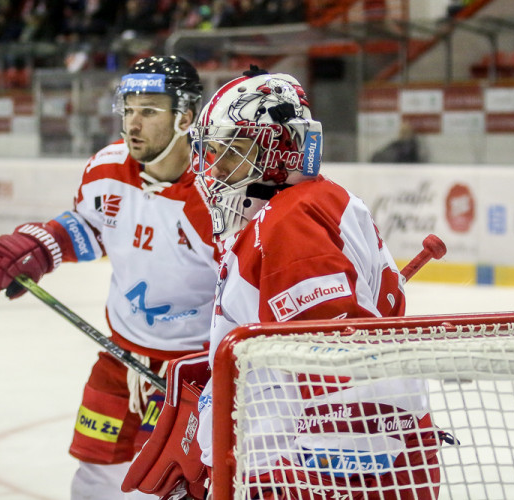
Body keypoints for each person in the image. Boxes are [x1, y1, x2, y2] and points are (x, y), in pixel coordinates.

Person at [122, 69, 444, 499]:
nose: (216, 170)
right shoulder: (310, 203)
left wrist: (280, 483)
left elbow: (344, 378)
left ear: (281, 154)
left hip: (336, 472)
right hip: (344, 461)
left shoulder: (290, 224)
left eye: (234, 152)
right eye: (214, 152)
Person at [0, 55, 221, 499]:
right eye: (128, 109)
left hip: (194, 372)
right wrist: (41, 248)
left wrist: (215, 367)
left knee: (176, 484)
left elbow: (242, 287)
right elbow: (91, 226)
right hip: (120, 356)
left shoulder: (218, 193)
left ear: (185, 117)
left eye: (149, 111)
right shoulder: (107, 168)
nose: (133, 123)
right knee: (95, 473)